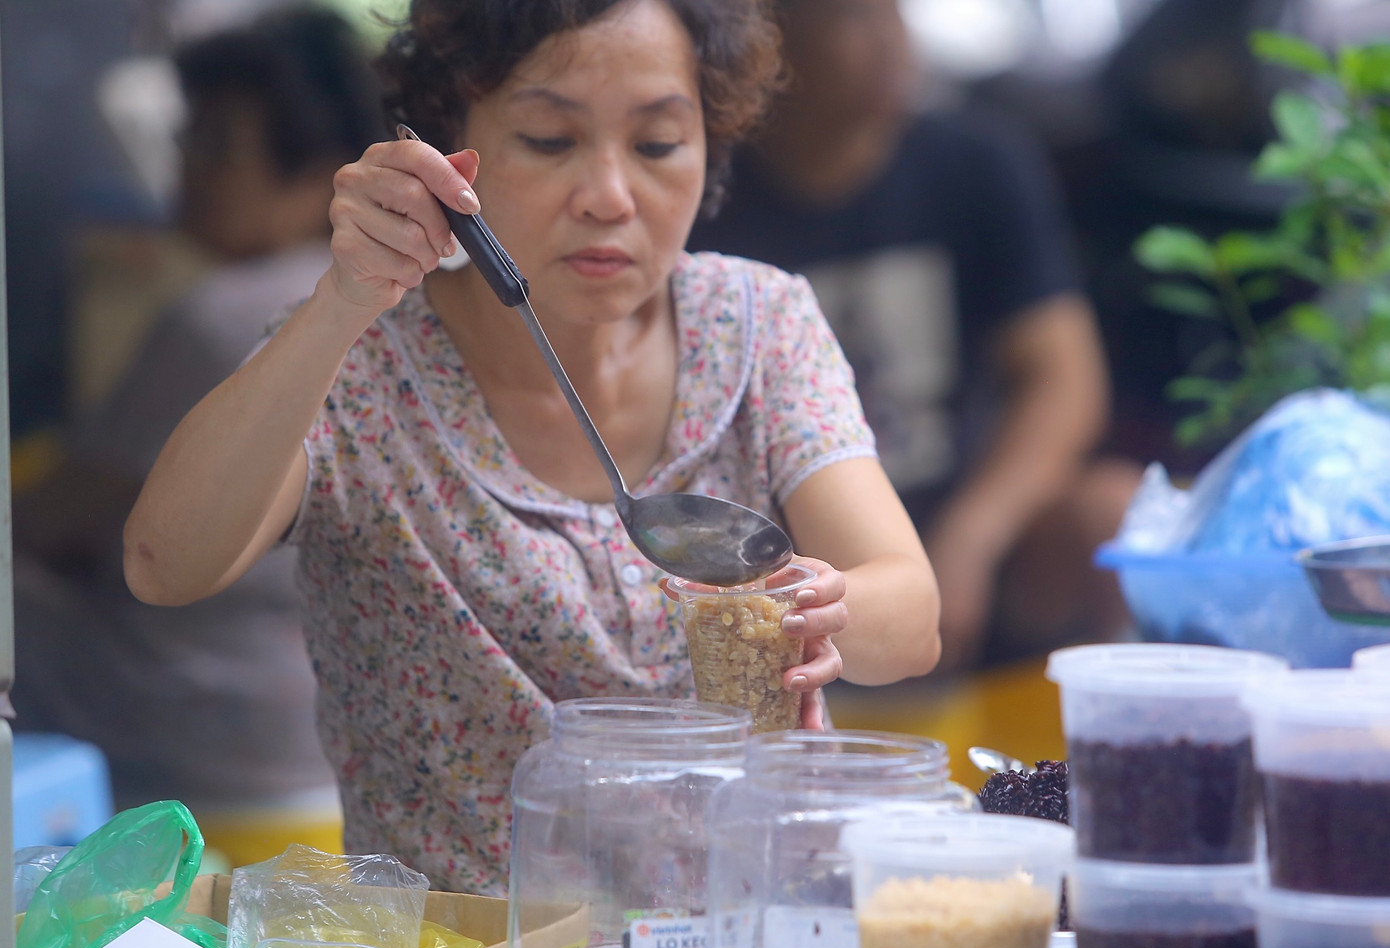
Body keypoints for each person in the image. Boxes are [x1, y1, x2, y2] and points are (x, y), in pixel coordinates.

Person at [122, 0, 942, 894]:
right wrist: (342, 302)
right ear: (448, 158)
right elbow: (165, 564)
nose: (609, 195)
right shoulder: (355, 361)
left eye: (659, 144)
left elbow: (909, 621)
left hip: (727, 932)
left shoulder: (760, 324)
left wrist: (829, 610)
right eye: (551, 140)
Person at [11, 8, 384, 848]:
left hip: (205, 746)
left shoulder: (223, 317)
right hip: (327, 749)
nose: (184, 166)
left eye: (216, 144)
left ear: (321, 176)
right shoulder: (416, 304)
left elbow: (51, 523)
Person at [689, 0, 1142, 672]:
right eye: (854, 18)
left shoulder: (977, 161)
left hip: (964, 514)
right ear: (768, 37)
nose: (890, 41)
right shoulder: (706, 190)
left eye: (894, 13)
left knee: (1112, 510)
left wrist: (973, 535)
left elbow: (1065, 381)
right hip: (784, 539)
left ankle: (1085, 740)